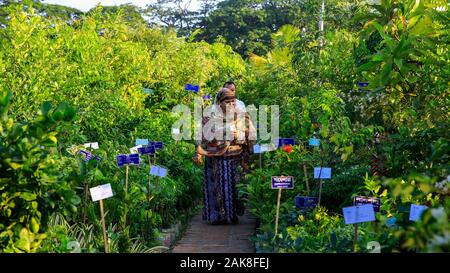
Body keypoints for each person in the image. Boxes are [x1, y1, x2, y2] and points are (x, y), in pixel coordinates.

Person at [193, 87, 256, 225]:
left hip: (235, 158)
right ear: (219, 102)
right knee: (217, 189)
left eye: (233, 102)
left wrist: (238, 135)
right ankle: (217, 217)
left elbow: (251, 135)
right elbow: (202, 137)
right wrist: (198, 152)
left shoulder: (242, 116)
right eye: (227, 102)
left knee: (236, 188)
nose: (231, 105)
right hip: (215, 159)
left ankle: (232, 215)